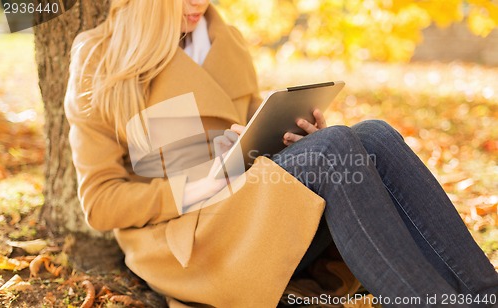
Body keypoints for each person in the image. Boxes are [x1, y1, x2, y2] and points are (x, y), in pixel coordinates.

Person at [64, 0, 498, 307]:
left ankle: (486, 296)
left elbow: (252, 134)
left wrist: (298, 138)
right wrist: (197, 185)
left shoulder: (223, 40)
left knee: (374, 136)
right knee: (333, 150)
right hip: (189, 240)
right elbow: (100, 202)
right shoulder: (100, 57)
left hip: (247, 202)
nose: (198, 3)